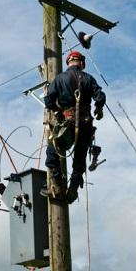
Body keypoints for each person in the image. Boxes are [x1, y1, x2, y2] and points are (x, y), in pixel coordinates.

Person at [41, 51, 106, 204]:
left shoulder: (60, 79)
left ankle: (56, 187)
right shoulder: (89, 79)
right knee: (79, 159)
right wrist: (99, 109)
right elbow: (100, 96)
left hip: (68, 122)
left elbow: (49, 100)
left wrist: (57, 112)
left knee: (52, 152)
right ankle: (72, 190)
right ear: (81, 63)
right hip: (85, 124)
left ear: (69, 63)